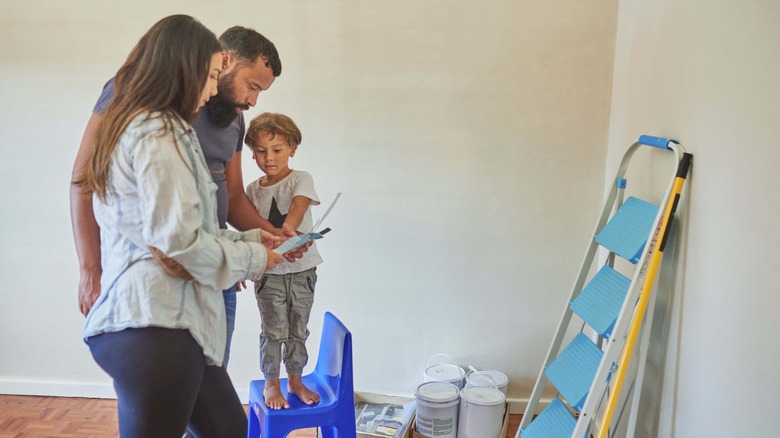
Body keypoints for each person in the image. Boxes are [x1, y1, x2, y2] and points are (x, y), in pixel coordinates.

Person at [72, 15, 286, 437]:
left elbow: (200, 220)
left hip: (178, 314)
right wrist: (254, 255)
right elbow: (178, 248)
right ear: (190, 70)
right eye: (210, 75)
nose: (210, 89)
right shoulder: (157, 131)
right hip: (156, 322)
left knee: (227, 429)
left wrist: (251, 239)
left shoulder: (168, 129)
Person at [244, 112, 324, 409]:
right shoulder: (252, 190)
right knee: (273, 331)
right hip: (270, 274)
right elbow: (250, 229)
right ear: (252, 154)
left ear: (292, 149)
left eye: (277, 150)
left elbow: (299, 205)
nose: (269, 158)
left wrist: (288, 230)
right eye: (261, 151)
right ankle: (271, 384)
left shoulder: (301, 179)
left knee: (298, 329)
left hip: (303, 271)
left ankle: (295, 380)